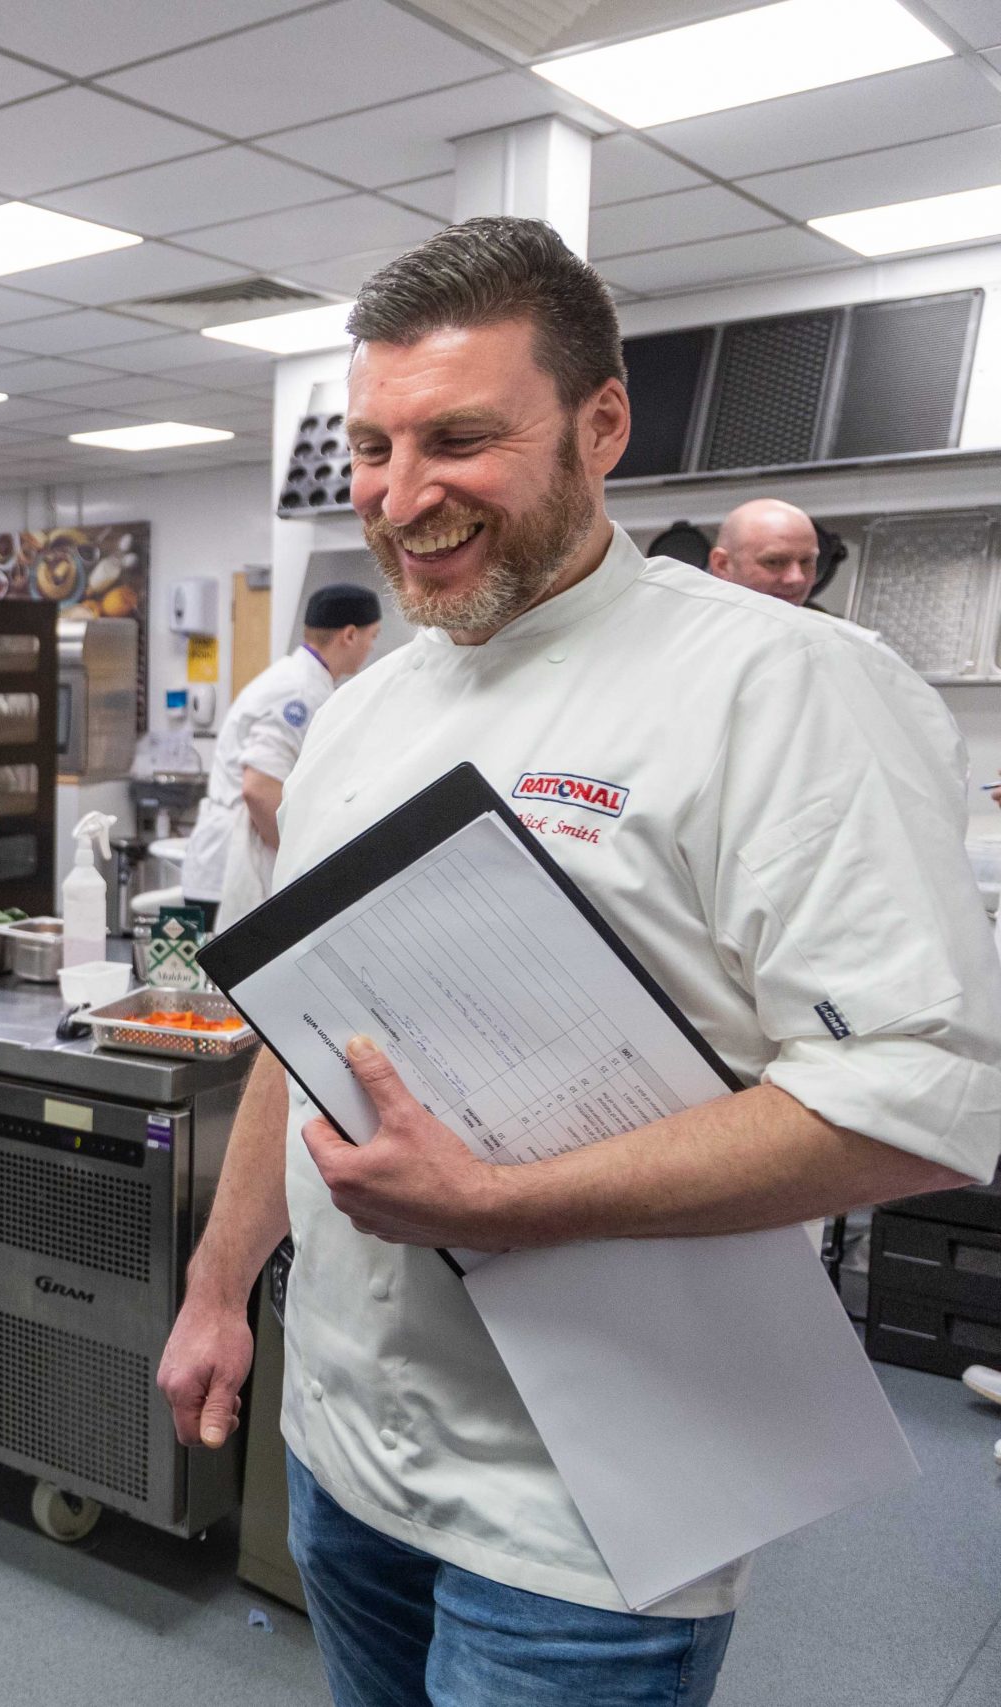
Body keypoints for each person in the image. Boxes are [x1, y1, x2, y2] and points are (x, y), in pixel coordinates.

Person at [154, 218, 1001, 1707]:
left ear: (601, 423)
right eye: (374, 445)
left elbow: (914, 1100)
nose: (401, 498)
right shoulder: (363, 712)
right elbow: (307, 1036)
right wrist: (221, 1284)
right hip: (345, 1446)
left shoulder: (784, 688)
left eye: (461, 439)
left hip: (595, 1504)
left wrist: (497, 1203)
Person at [176, 583, 381, 929]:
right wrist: (298, 863)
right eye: (371, 636)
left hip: (231, 867)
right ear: (349, 635)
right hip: (231, 873)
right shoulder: (297, 694)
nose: (371, 647)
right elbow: (258, 789)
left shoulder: (303, 681)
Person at [706, 497, 821, 603]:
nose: (796, 578)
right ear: (722, 565)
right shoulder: (694, 624)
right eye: (774, 562)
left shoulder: (830, 625)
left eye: (806, 561)